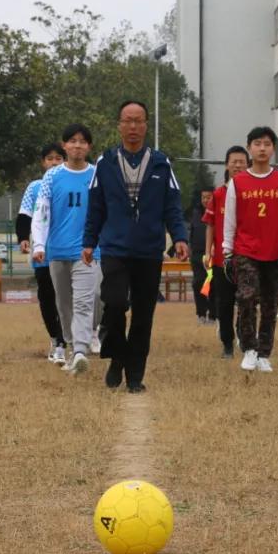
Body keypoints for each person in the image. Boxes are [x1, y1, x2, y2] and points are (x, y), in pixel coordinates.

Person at [83, 100, 189, 393]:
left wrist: (179, 237)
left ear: (145, 125)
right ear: (119, 125)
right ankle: (117, 357)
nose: (132, 127)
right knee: (114, 303)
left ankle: (135, 375)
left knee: (143, 314)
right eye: (127, 121)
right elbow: (95, 207)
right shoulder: (104, 163)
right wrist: (89, 241)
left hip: (149, 250)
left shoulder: (160, 162)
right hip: (115, 247)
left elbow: (173, 206)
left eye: (138, 121)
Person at [221, 126, 278, 373]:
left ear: (273, 149)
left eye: (267, 144)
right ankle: (249, 348)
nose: (262, 148)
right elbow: (230, 221)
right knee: (246, 297)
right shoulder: (238, 182)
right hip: (245, 250)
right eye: (257, 144)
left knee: (270, 304)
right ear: (249, 148)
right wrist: (227, 251)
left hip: (275, 251)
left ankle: (264, 353)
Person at [33, 125, 103, 375]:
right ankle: (72, 345)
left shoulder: (97, 175)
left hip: (87, 252)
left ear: (89, 147)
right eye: (72, 141)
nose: (77, 145)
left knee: (86, 301)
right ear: (64, 146)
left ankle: (82, 350)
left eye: (83, 142)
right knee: (64, 305)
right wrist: (39, 244)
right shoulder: (52, 177)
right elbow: (41, 212)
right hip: (57, 252)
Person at [17, 143, 68, 364]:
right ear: (43, 163)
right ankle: (56, 339)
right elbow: (24, 216)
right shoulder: (35, 187)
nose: (54, 162)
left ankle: (73, 338)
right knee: (47, 298)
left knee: (68, 298)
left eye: (58, 158)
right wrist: (24, 238)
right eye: (50, 158)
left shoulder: (74, 182)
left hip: (69, 252)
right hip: (43, 254)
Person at [204, 146, 249, 358]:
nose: (238, 165)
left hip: (249, 259)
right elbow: (210, 225)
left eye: (242, 161)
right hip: (223, 260)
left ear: (248, 165)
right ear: (227, 165)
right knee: (224, 304)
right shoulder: (219, 194)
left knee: (247, 302)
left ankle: (244, 336)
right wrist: (207, 252)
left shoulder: (252, 193)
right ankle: (227, 344)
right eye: (234, 161)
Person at [189, 187, 216, 325]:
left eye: (209, 197)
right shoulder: (195, 213)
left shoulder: (217, 212)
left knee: (212, 284)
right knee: (197, 283)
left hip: (213, 254)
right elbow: (192, 232)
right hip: (197, 254)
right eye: (203, 197)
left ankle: (213, 314)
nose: (206, 200)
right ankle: (200, 313)